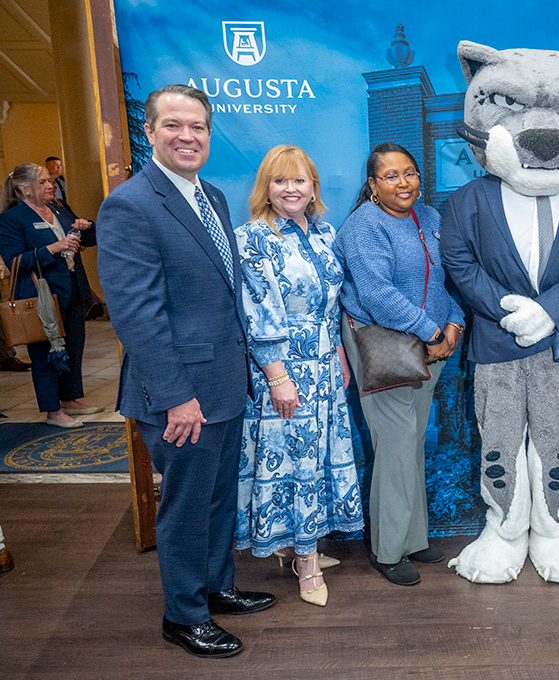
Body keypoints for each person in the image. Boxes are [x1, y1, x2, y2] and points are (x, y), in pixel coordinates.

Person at [97, 84, 275, 658]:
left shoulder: (214, 197)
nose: (187, 136)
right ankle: (183, 615)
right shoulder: (130, 204)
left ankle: (216, 587)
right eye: (173, 125)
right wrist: (176, 396)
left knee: (221, 497)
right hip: (179, 395)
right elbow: (136, 315)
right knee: (187, 506)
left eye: (197, 126)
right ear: (149, 133)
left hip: (224, 383)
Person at [233, 145, 364, 606]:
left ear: (313, 188)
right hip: (283, 370)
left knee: (316, 460)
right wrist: (276, 376)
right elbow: (256, 314)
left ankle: (299, 545)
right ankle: (306, 564)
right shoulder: (252, 238)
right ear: (265, 189)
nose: (290, 189)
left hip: (325, 367)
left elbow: (332, 305)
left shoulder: (326, 233)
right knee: (293, 462)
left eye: (299, 180)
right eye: (279, 180)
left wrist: (339, 356)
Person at [335, 142, 465, 587]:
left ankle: (414, 537)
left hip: (431, 348)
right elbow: (377, 294)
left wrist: (454, 324)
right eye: (390, 176)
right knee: (395, 445)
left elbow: (448, 278)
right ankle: (389, 549)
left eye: (409, 173)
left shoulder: (429, 217)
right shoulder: (363, 226)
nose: (403, 182)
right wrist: (430, 332)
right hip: (386, 348)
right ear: (373, 184)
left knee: (411, 443)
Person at [0, 164, 99, 427]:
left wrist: (86, 226)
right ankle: (53, 411)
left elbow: (87, 240)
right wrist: (53, 248)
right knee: (45, 355)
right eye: (43, 181)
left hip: (73, 289)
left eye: (50, 180)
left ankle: (69, 399)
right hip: (41, 296)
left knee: (74, 347)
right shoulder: (12, 218)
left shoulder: (58, 209)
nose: (50, 185)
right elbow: (15, 262)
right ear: (24, 189)